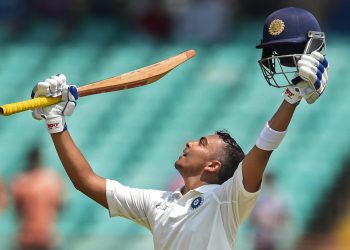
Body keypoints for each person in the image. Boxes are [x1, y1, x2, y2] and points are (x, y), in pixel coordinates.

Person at [30, 7, 329, 250]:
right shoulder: (158, 204)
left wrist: (291, 99)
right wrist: (56, 121)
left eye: (201, 142)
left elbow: (264, 147)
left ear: (213, 165)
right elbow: (86, 181)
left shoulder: (228, 200)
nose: (189, 142)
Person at [11, 147, 64, 250]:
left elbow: (17, 210)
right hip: (42, 234)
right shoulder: (52, 179)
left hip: (32, 234)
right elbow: (60, 206)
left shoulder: (21, 180)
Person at [249, 173, 289, 250]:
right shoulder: (259, 199)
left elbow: (282, 218)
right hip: (260, 237)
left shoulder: (279, 200)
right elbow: (252, 218)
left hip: (272, 237)